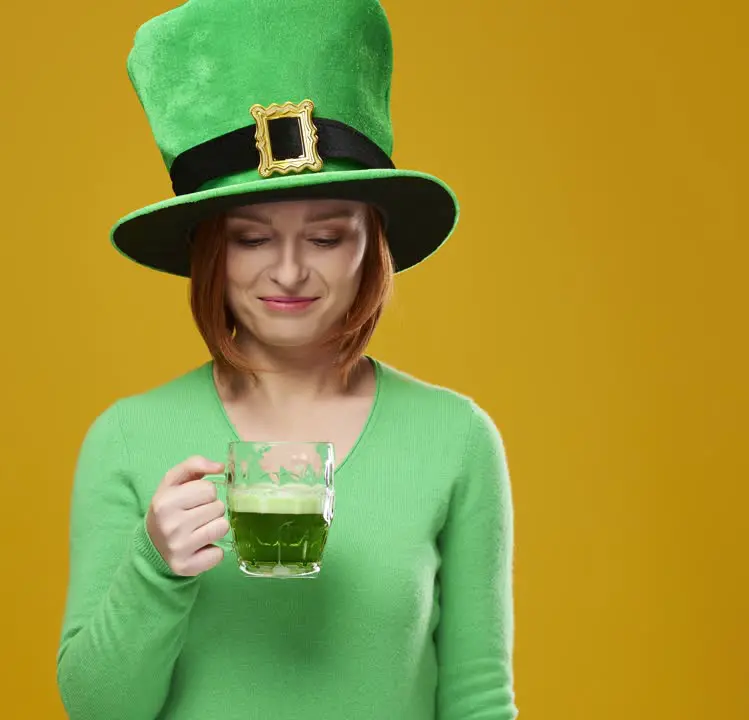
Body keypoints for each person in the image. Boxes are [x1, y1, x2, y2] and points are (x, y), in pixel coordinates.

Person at [55, 1, 517, 718]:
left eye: (328, 237)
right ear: (209, 250)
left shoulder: (456, 439)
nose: (291, 272)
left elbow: (479, 697)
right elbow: (98, 710)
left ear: (374, 245)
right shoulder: (126, 439)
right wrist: (156, 566)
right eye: (252, 239)